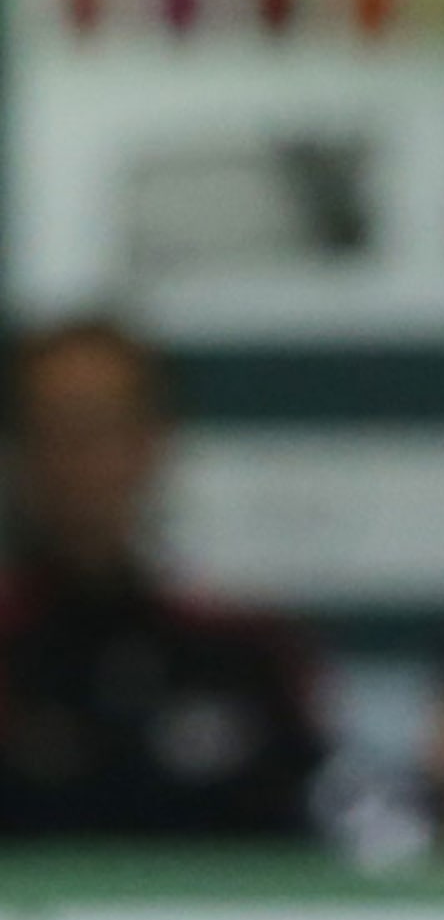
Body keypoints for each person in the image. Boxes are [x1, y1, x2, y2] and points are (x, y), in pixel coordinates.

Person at [0, 320, 326, 837]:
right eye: (56, 428)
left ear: (153, 442)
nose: (80, 460)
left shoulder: (246, 654)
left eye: (103, 427)